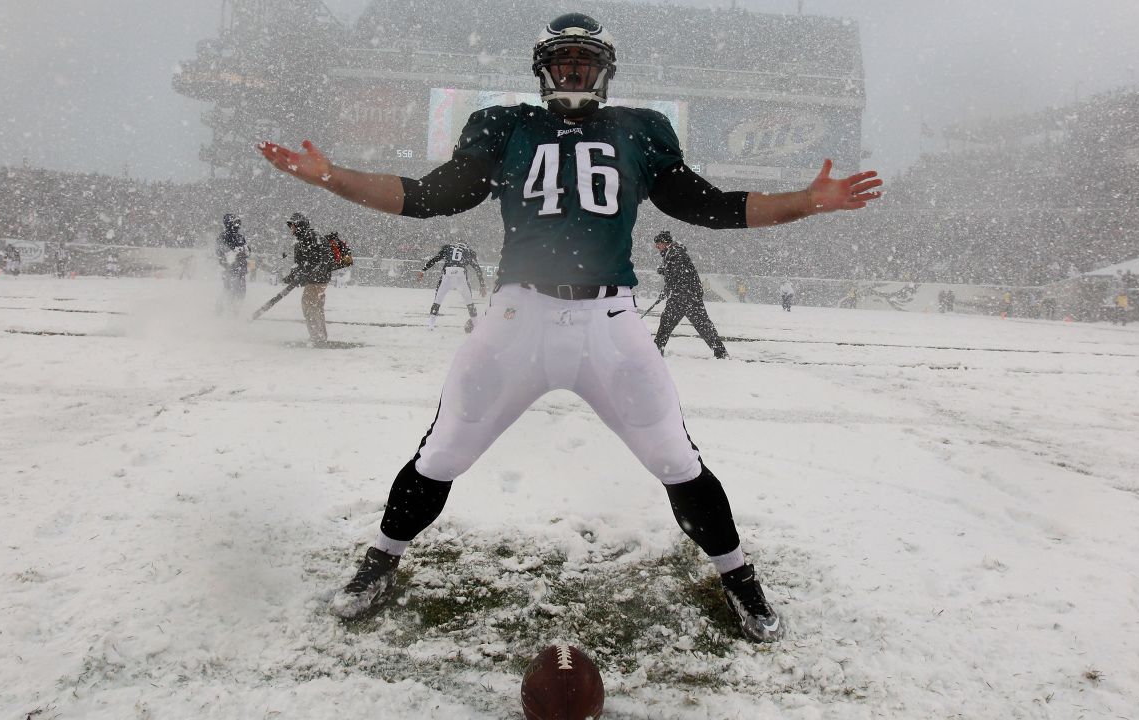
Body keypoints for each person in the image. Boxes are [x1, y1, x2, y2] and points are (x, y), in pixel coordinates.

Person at [258, 12, 881, 643]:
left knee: (674, 457)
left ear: (604, 69)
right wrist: (332, 177)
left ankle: (739, 576)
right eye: (563, 60)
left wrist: (805, 201)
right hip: (515, 319)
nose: (573, 70)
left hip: (608, 321)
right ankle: (381, 559)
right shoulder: (505, 124)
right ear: (543, 68)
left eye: (583, 60)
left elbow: (706, 205)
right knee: (443, 452)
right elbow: (431, 195)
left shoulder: (641, 129)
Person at [651, 231, 729, 358]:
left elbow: (677, 275)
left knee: (667, 323)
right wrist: (666, 273)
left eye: (658, 244)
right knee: (702, 325)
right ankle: (720, 352)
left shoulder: (676, 254)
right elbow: (675, 275)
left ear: (665, 243)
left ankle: (655, 351)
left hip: (684, 296)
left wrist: (666, 273)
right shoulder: (673, 253)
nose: (657, 247)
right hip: (688, 295)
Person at [283, 212, 334, 345]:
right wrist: (292, 276)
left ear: (300, 225)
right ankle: (320, 336)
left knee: (309, 305)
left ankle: (317, 337)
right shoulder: (301, 240)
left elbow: (324, 258)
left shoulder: (312, 237)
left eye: (293, 225)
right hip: (316, 279)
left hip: (318, 279)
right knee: (316, 307)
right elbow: (299, 263)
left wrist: (310, 274)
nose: (291, 229)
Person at [419, 240, 487, 332]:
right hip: (460, 274)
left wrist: (423, 270)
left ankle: (431, 324)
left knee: (437, 300)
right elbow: (477, 268)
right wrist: (482, 285)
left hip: (448, 273)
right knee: (469, 302)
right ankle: (476, 325)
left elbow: (435, 259)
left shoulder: (448, 248)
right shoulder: (467, 251)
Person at [216, 213, 250, 315]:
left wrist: (243, 251)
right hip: (229, 270)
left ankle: (234, 311)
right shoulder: (223, 236)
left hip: (241, 269)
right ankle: (222, 310)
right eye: (235, 223)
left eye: (238, 223)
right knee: (229, 290)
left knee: (241, 292)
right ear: (229, 223)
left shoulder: (240, 237)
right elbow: (221, 252)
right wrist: (236, 253)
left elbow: (247, 251)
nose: (237, 225)